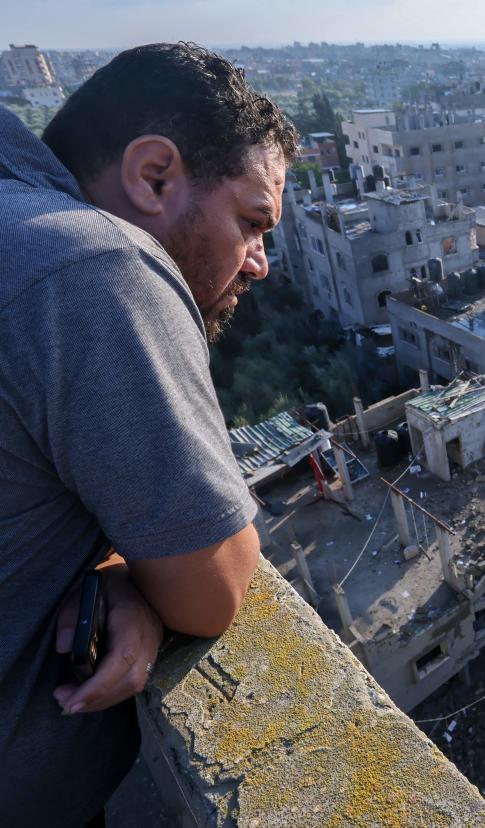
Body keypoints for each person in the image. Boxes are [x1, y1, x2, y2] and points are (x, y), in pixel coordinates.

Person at [0, 43, 298, 825]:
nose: (261, 263)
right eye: (251, 221)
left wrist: (109, 559)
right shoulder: (93, 264)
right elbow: (214, 587)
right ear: (154, 176)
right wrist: (143, 570)